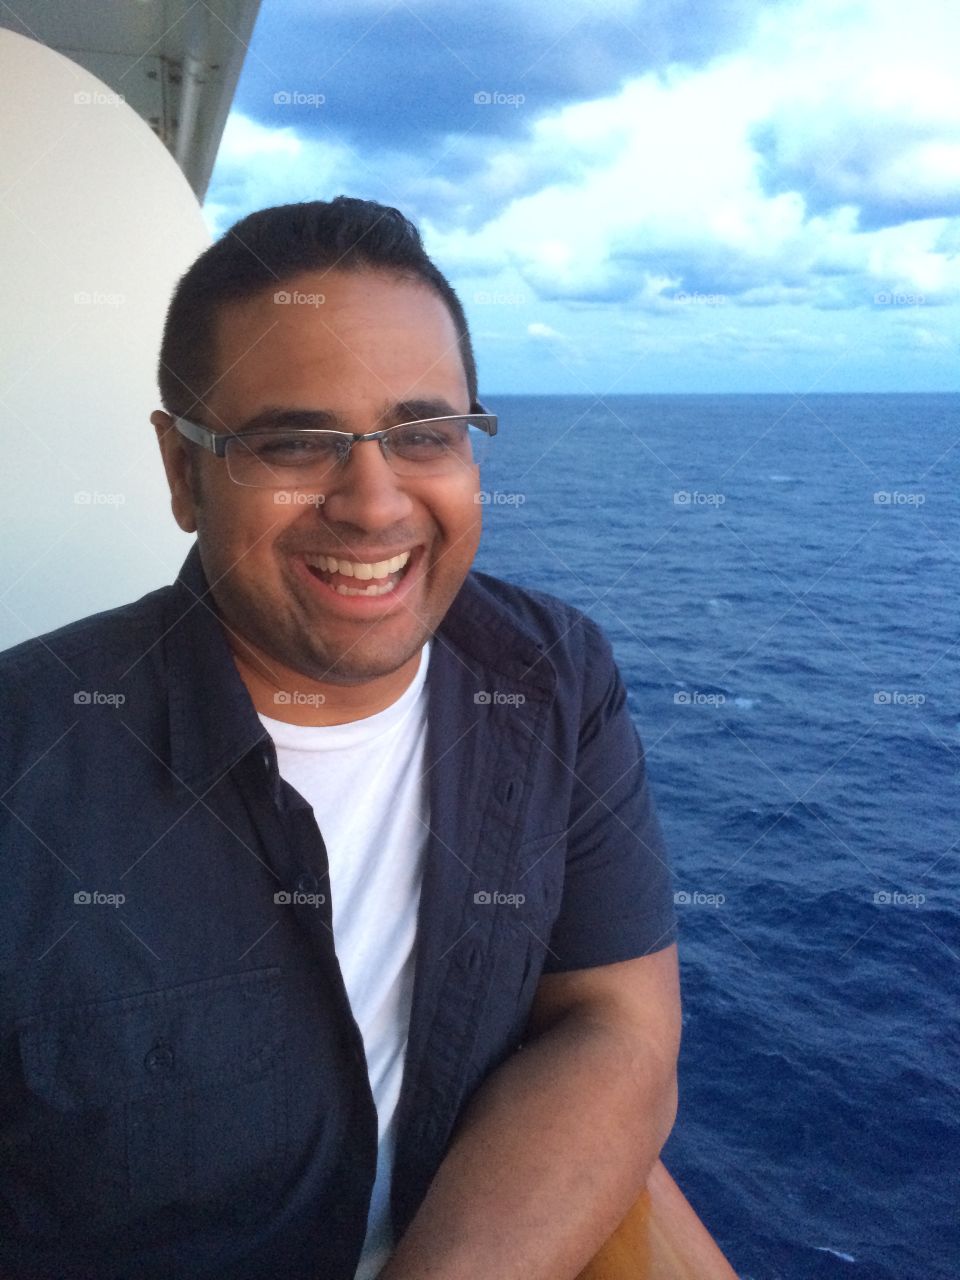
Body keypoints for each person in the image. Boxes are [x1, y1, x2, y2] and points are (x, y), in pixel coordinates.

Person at [0, 197, 681, 1280]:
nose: (374, 504)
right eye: (296, 441)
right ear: (183, 472)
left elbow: (616, 1019)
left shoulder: (552, 677)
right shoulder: (26, 755)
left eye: (425, 433)